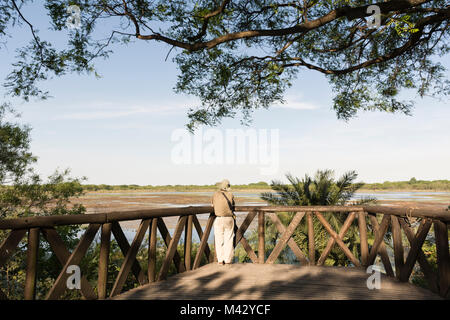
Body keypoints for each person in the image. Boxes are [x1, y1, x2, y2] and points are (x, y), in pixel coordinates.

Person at [211, 179, 236, 265]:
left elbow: (212, 205)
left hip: (218, 218)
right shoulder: (230, 194)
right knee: (228, 239)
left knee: (218, 240)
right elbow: (233, 206)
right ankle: (228, 260)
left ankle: (220, 260)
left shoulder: (215, 194)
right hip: (229, 218)